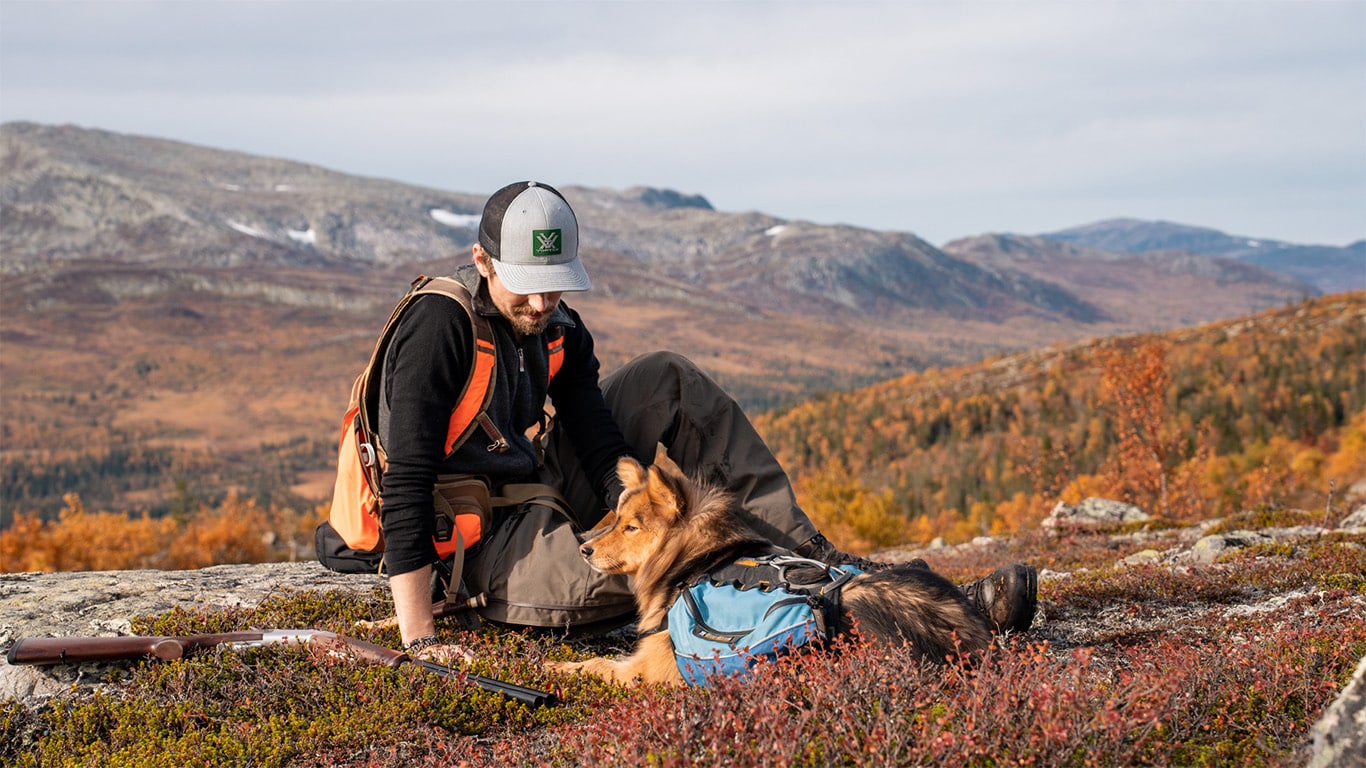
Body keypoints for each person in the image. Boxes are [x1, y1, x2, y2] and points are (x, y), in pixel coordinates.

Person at [367, 180, 1036, 656]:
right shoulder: (439, 328)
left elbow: (600, 445)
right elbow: (406, 482)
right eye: (527, 281)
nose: (543, 300)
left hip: (541, 491)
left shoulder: (558, 325)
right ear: (482, 260)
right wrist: (420, 637)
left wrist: (639, 518)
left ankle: (833, 568)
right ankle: (864, 616)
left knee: (666, 376)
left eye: (556, 280)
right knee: (647, 571)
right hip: (476, 545)